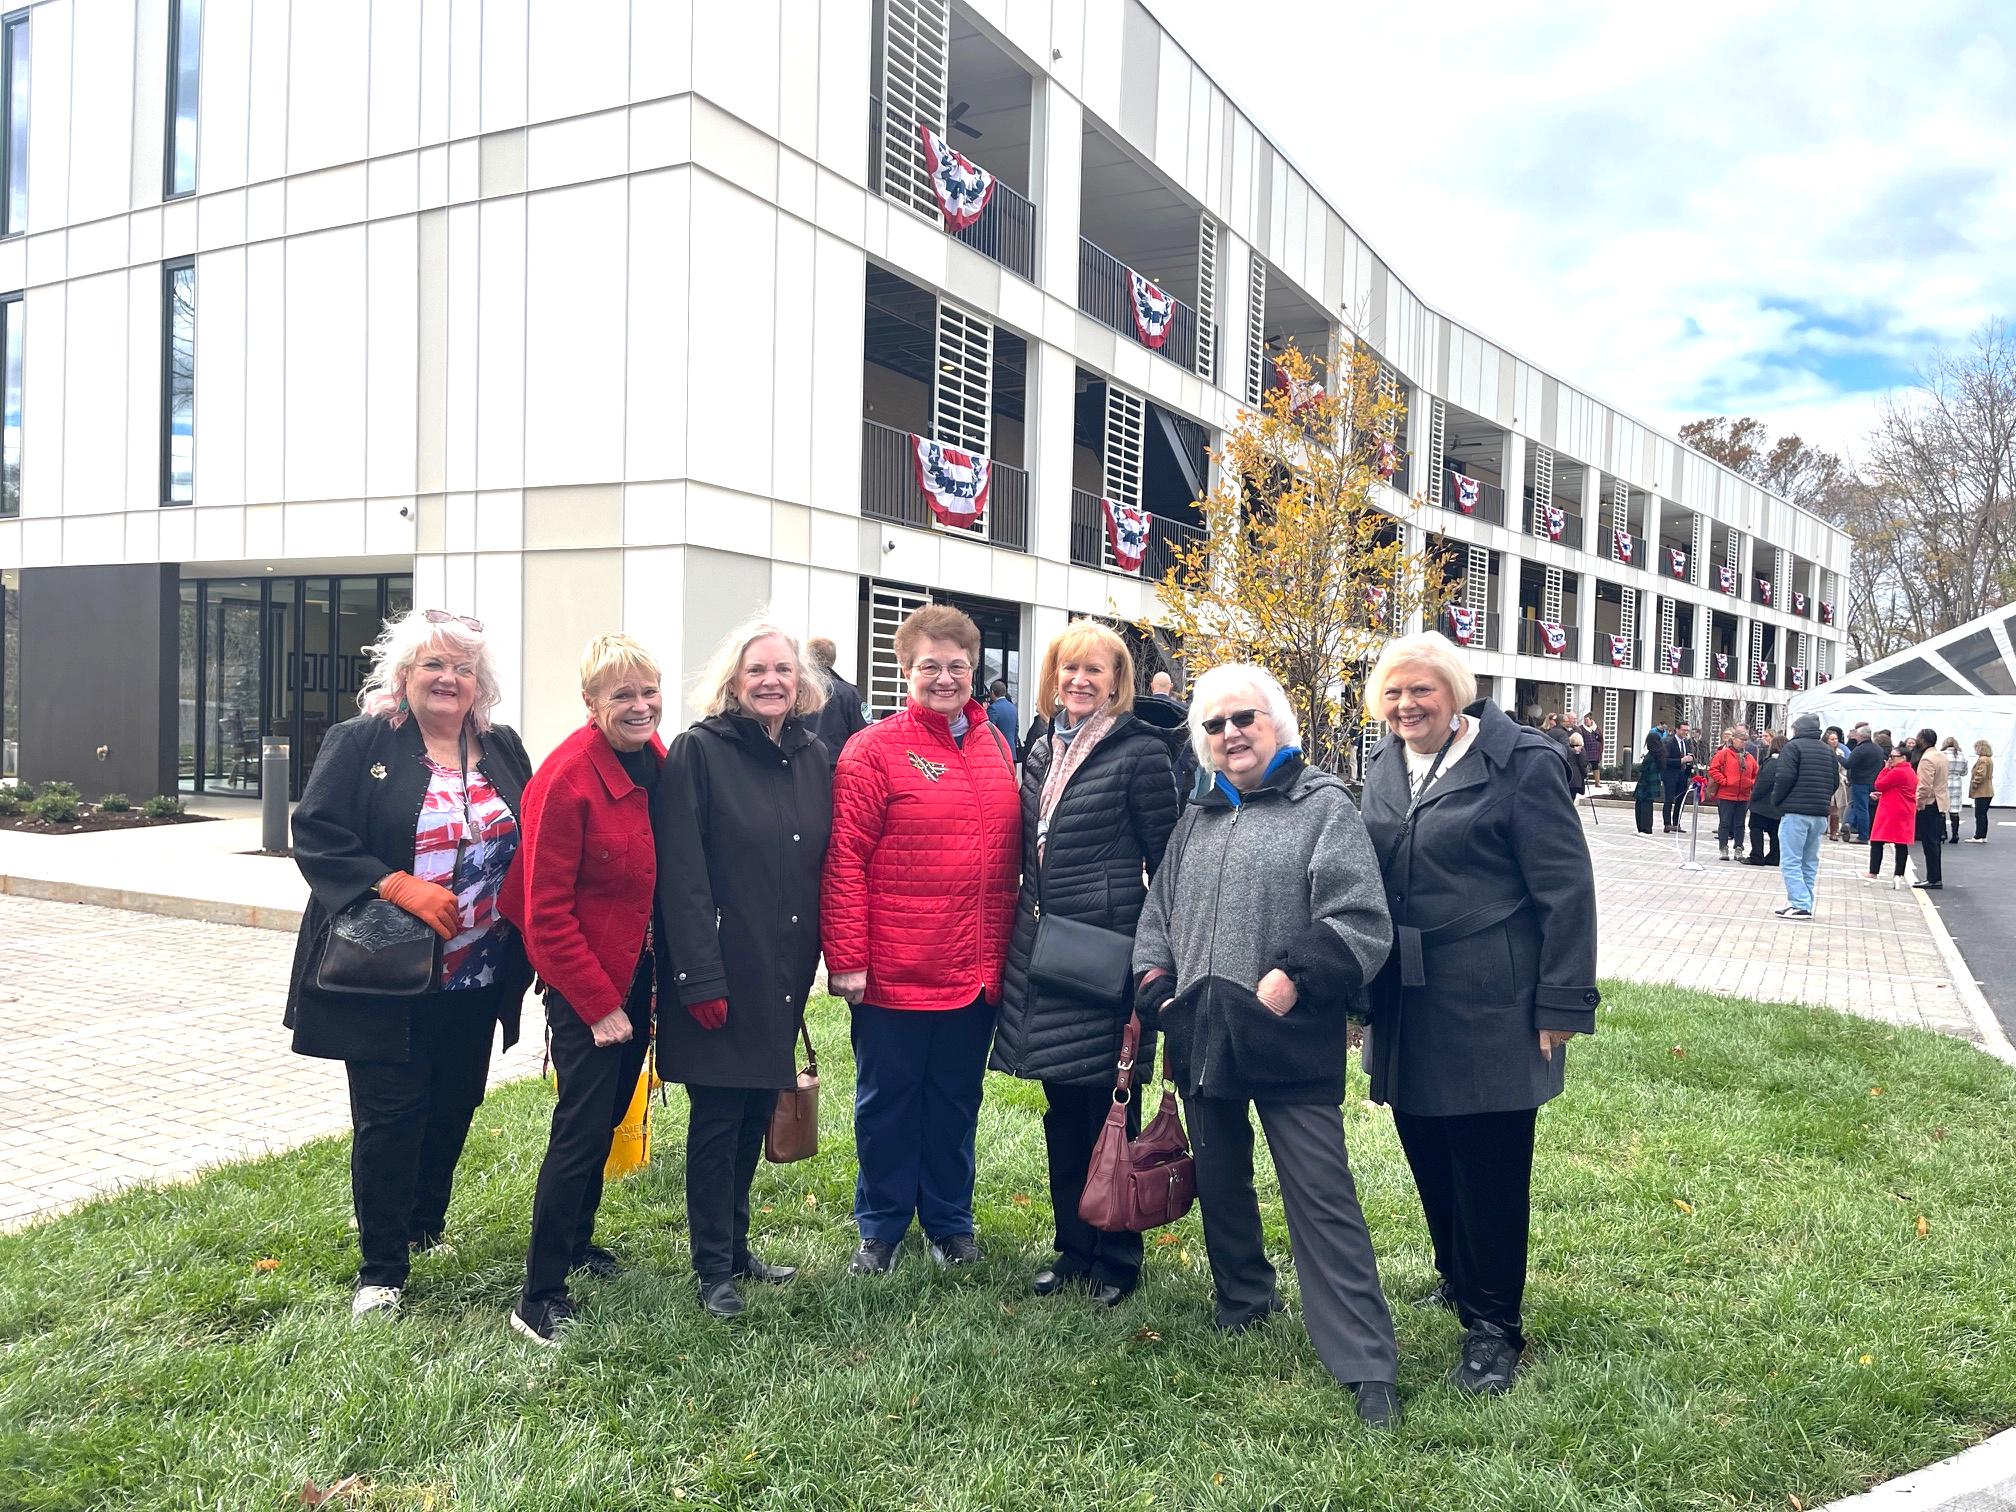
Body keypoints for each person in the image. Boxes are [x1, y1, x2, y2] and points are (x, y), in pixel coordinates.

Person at [1132, 661, 1401, 1428]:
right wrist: (1156, 985)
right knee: (1220, 1179)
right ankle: (1242, 1298)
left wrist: (1293, 976)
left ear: (1277, 723)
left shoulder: (1323, 807)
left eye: (1242, 719)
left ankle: (1364, 1359)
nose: (1230, 735)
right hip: (1202, 1031)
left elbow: (1360, 918)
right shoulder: (1200, 814)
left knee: (1320, 1195)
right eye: (1213, 726)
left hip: (1286, 1033)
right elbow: (1159, 913)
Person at [1358, 632, 1598, 1400]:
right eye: (1393, 693)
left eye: (1421, 690)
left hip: (1493, 995)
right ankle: (1457, 1277)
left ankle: (1494, 1326)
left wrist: (1560, 1002)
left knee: (1489, 1160)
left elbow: (1566, 890)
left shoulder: (1521, 762)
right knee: (1424, 1137)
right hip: (1406, 991)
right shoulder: (1383, 766)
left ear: (1454, 691)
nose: (1406, 705)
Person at [287, 608, 535, 1320]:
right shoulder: (365, 741)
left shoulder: (502, 747)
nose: (448, 679)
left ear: (479, 684)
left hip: (477, 971)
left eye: (463, 669)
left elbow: (535, 829)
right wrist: (398, 885)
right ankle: (381, 1271)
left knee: (456, 1101)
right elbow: (317, 830)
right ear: (404, 677)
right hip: (384, 974)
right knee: (390, 1115)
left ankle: (425, 1227)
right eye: (433, 665)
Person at [822, 604, 1021, 1274]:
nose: (944, 678)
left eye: (957, 666)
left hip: (975, 968)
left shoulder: (996, 745)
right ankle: (880, 1225)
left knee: (955, 1100)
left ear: (974, 671)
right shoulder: (872, 751)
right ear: (905, 671)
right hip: (896, 969)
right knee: (890, 1101)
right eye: (929, 666)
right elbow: (845, 858)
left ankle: (948, 1219)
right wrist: (847, 958)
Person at [993, 621, 1178, 1307]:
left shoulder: (1140, 753)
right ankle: (1073, 1247)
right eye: (1069, 669)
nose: (1079, 681)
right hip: (1045, 953)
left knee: (1112, 1107)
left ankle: (1118, 1257)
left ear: (1117, 681)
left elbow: (1167, 862)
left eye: (1094, 671)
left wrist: (1155, 958)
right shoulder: (1042, 747)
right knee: (1063, 1108)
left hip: (1106, 952)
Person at [654, 620, 832, 1318]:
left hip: (781, 967)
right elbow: (683, 874)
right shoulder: (700, 752)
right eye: (757, 670)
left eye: (783, 670)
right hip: (721, 969)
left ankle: (737, 1249)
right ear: (733, 680)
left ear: (801, 680)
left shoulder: (813, 755)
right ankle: (711, 1268)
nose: (771, 682)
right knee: (718, 1119)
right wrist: (699, 978)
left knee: (757, 1105)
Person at [500, 634, 665, 1345]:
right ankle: (538, 1292)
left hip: (640, 971)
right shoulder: (566, 779)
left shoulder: (654, 761)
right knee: (579, 1128)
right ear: (591, 703)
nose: (639, 705)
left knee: (601, 1123)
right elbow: (543, 912)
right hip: (587, 983)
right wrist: (598, 1005)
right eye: (622, 695)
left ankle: (578, 1242)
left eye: (648, 691)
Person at [1761, 713, 1836, 918]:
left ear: (1798, 729)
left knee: (1791, 860)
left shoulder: (1793, 748)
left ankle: (1800, 902)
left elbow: (1784, 777)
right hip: (1819, 813)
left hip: (1796, 811)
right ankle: (1804, 901)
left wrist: (1777, 800)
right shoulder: (1827, 751)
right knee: (1809, 861)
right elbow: (1834, 781)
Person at [1136, 669, 1200, 807]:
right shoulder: (1184, 712)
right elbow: (1193, 744)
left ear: (1152, 686)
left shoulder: (1138, 709)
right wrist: (1188, 767)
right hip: (1178, 775)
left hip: (1142, 776)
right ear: (1171, 686)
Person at [806, 636, 867, 763]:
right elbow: (864, 736)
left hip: (799, 770)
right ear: (833, 659)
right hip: (837, 770)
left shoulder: (795, 690)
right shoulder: (850, 694)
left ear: (808, 658)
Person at [1868, 744, 1918, 888]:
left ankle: (1873, 872)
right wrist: (1884, 795)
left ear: (1903, 758)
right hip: (1904, 809)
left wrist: (1885, 768)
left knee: (1877, 840)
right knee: (1900, 843)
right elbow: (1898, 789)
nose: (1890, 759)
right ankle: (1898, 874)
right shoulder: (1909, 771)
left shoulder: (1898, 771)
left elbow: (1879, 784)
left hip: (1891, 811)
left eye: (1893, 757)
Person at [1708, 726, 1756, 861]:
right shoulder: (1723, 754)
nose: (1744, 742)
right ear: (1733, 739)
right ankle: (1723, 847)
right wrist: (1724, 781)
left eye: (1746, 740)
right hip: (1726, 795)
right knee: (1725, 822)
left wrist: (1750, 783)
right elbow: (1713, 770)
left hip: (1743, 796)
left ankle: (1739, 847)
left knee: (1740, 824)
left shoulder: (1749, 757)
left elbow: (1756, 773)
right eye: (1741, 739)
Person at [1914, 728, 1949, 891]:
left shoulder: (1927, 759)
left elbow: (1924, 785)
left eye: (1918, 738)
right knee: (1934, 842)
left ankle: (1933, 878)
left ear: (1923, 740)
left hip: (1929, 802)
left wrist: (1919, 802)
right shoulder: (1940, 755)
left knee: (1930, 843)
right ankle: (1934, 877)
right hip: (1940, 801)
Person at [1746, 734, 1783, 868]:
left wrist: (1753, 796)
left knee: (1755, 827)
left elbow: (1763, 783)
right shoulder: (1787, 763)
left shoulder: (1772, 762)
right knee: (1775, 831)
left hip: (1763, 803)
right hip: (1778, 804)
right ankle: (1775, 856)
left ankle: (1757, 856)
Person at [1844, 724, 1881, 842]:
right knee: (1859, 806)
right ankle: (1849, 822)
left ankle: (1863, 835)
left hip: (1860, 781)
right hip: (1873, 781)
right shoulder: (1877, 749)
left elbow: (1848, 764)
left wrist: (1838, 757)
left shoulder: (1860, 749)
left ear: (1860, 736)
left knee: (1861, 807)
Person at [1661, 721, 1690, 832]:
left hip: (1683, 775)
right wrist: (1680, 760)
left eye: (1687, 730)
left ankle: (1676, 823)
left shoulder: (1686, 743)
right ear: (1677, 730)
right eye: (1683, 730)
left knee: (1680, 800)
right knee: (1669, 799)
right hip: (1670, 774)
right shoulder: (1668, 742)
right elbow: (1664, 760)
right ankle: (1667, 823)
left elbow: (1689, 755)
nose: (1685, 732)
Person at [1634, 731, 1663, 835]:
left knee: (1644, 806)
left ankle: (1645, 828)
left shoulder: (1652, 755)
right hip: (1650, 781)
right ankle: (1644, 828)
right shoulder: (1658, 753)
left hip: (1647, 782)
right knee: (1645, 805)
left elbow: (1646, 769)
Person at [1968, 740, 1995, 843]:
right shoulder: (1989, 759)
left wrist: (1974, 784)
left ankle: (1978, 836)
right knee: (1983, 814)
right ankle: (1982, 835)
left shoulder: (1982, 760)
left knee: (1979, 814)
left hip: (1982, 791)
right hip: (1988, 791)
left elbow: (1981, 774)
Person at [1940, 736, 1965, 844]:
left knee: (1942, 809)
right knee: (1954, 810)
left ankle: (1943, 833)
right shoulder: (1961, 755)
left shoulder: (1942, 755)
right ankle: (1955, 834)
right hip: (1957, 783)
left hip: (1944, 782)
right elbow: (1964, 772)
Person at [986, 679, 1020, 754]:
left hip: (998, 751)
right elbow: (1016, 729)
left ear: (992, 692)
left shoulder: (993, 708)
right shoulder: (1013, 707)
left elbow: (989, 731)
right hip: (1011, 750)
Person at [1580, 712, 1604, 786]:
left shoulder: (1596, 728)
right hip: (1586, 749)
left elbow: (1601, 738)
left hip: (1594, 750)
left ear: (1591, 720)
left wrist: (1601, 748)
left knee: (1595, 766)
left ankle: (1597, 782)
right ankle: (1582, 781)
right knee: (1583, 766)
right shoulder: (1581, 728)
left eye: (1587, 720)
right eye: (1585, 720)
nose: (1585, 721)